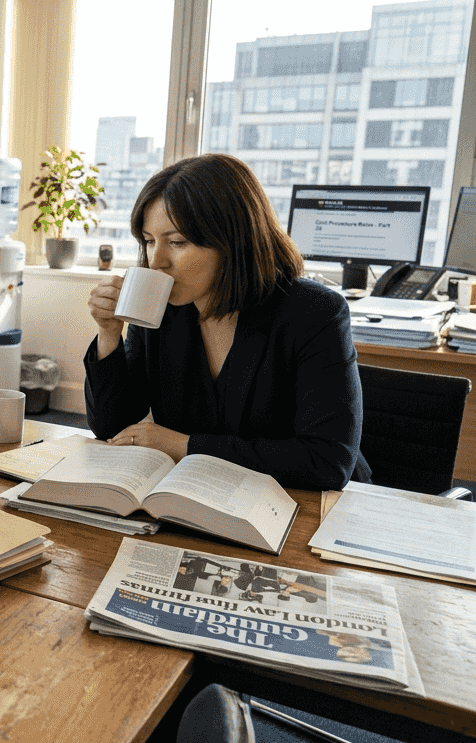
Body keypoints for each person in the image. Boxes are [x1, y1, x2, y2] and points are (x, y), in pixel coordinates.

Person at [84, 153, 371, 491]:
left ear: (233, 240)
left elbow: (326, 462)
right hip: (202, 496)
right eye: (149, 241)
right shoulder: (161, 307)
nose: (156, 260)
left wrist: (185, 446)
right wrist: (108, 333)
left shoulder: (314, 312)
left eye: (176, 242)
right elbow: (111, 426)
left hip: (304, 507)